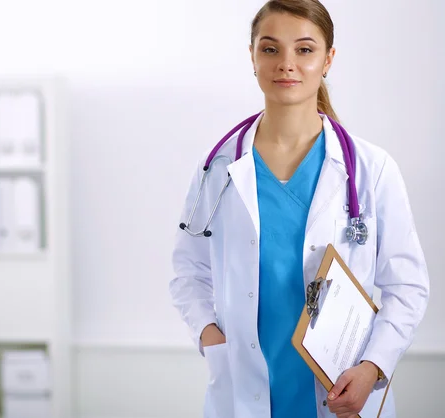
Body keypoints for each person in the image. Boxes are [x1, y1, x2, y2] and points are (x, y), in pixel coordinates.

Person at [169, 1, 430, 417]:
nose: (286, 64)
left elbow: (408, 287)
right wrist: (209, 335)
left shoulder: (370, 169)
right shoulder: (217, 168)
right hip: (243, 388)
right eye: (270, 49)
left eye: (305, 50)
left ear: (328, 59)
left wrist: (372, 367)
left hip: (342, 389)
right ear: (252, 57)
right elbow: (188, 271)